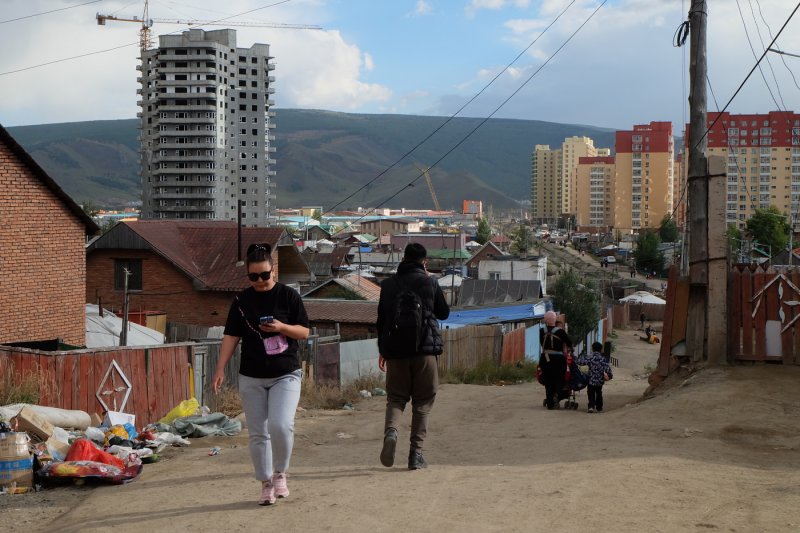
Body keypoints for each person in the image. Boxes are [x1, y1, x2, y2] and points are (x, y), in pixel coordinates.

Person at [211, 243, 310, 506]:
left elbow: (305, 332)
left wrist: (282, 327)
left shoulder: (289, 296)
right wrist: (220, 368)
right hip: (251, 375)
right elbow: (231, 335)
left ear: (273, 271)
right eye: (253, 277)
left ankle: (280, 473)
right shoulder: (241, 301)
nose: (260, 281)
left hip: (285, 373)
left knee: (280, 425)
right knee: (257, 434)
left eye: (264, 275)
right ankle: (265, 483)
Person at [377, 243, 450, 470]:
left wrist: (383, 350)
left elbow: (382, 320)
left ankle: (391, 431)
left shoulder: (388, 285)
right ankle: (415, 455)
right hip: (424, 352)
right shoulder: (430, 282)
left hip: (396, 353)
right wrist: (430, 281)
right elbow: (443, 313)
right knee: (423, 402)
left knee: (396, 398)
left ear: (403, 258)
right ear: (424, 261)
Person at [539, 310, 573, 410]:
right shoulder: (560, 332)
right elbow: (569, 343)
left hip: (545, 359)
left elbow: (542, 343)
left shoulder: (541, 331)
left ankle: (550, 403)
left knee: (548, 381)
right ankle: (557, 397)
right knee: (559, 380)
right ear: (555, 320)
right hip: (558, 360)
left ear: (545, 320)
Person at [576, 342, 613, 413]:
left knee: (590, 393)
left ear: (592, 349)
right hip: (600, 380)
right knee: (599, 393)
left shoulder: (590, 357)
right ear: (601, 349)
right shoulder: (603, 358)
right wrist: (609, 376)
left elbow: (580, 362)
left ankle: (591, 407)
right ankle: (599, 407)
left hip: (591, 379)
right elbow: (607, 368)